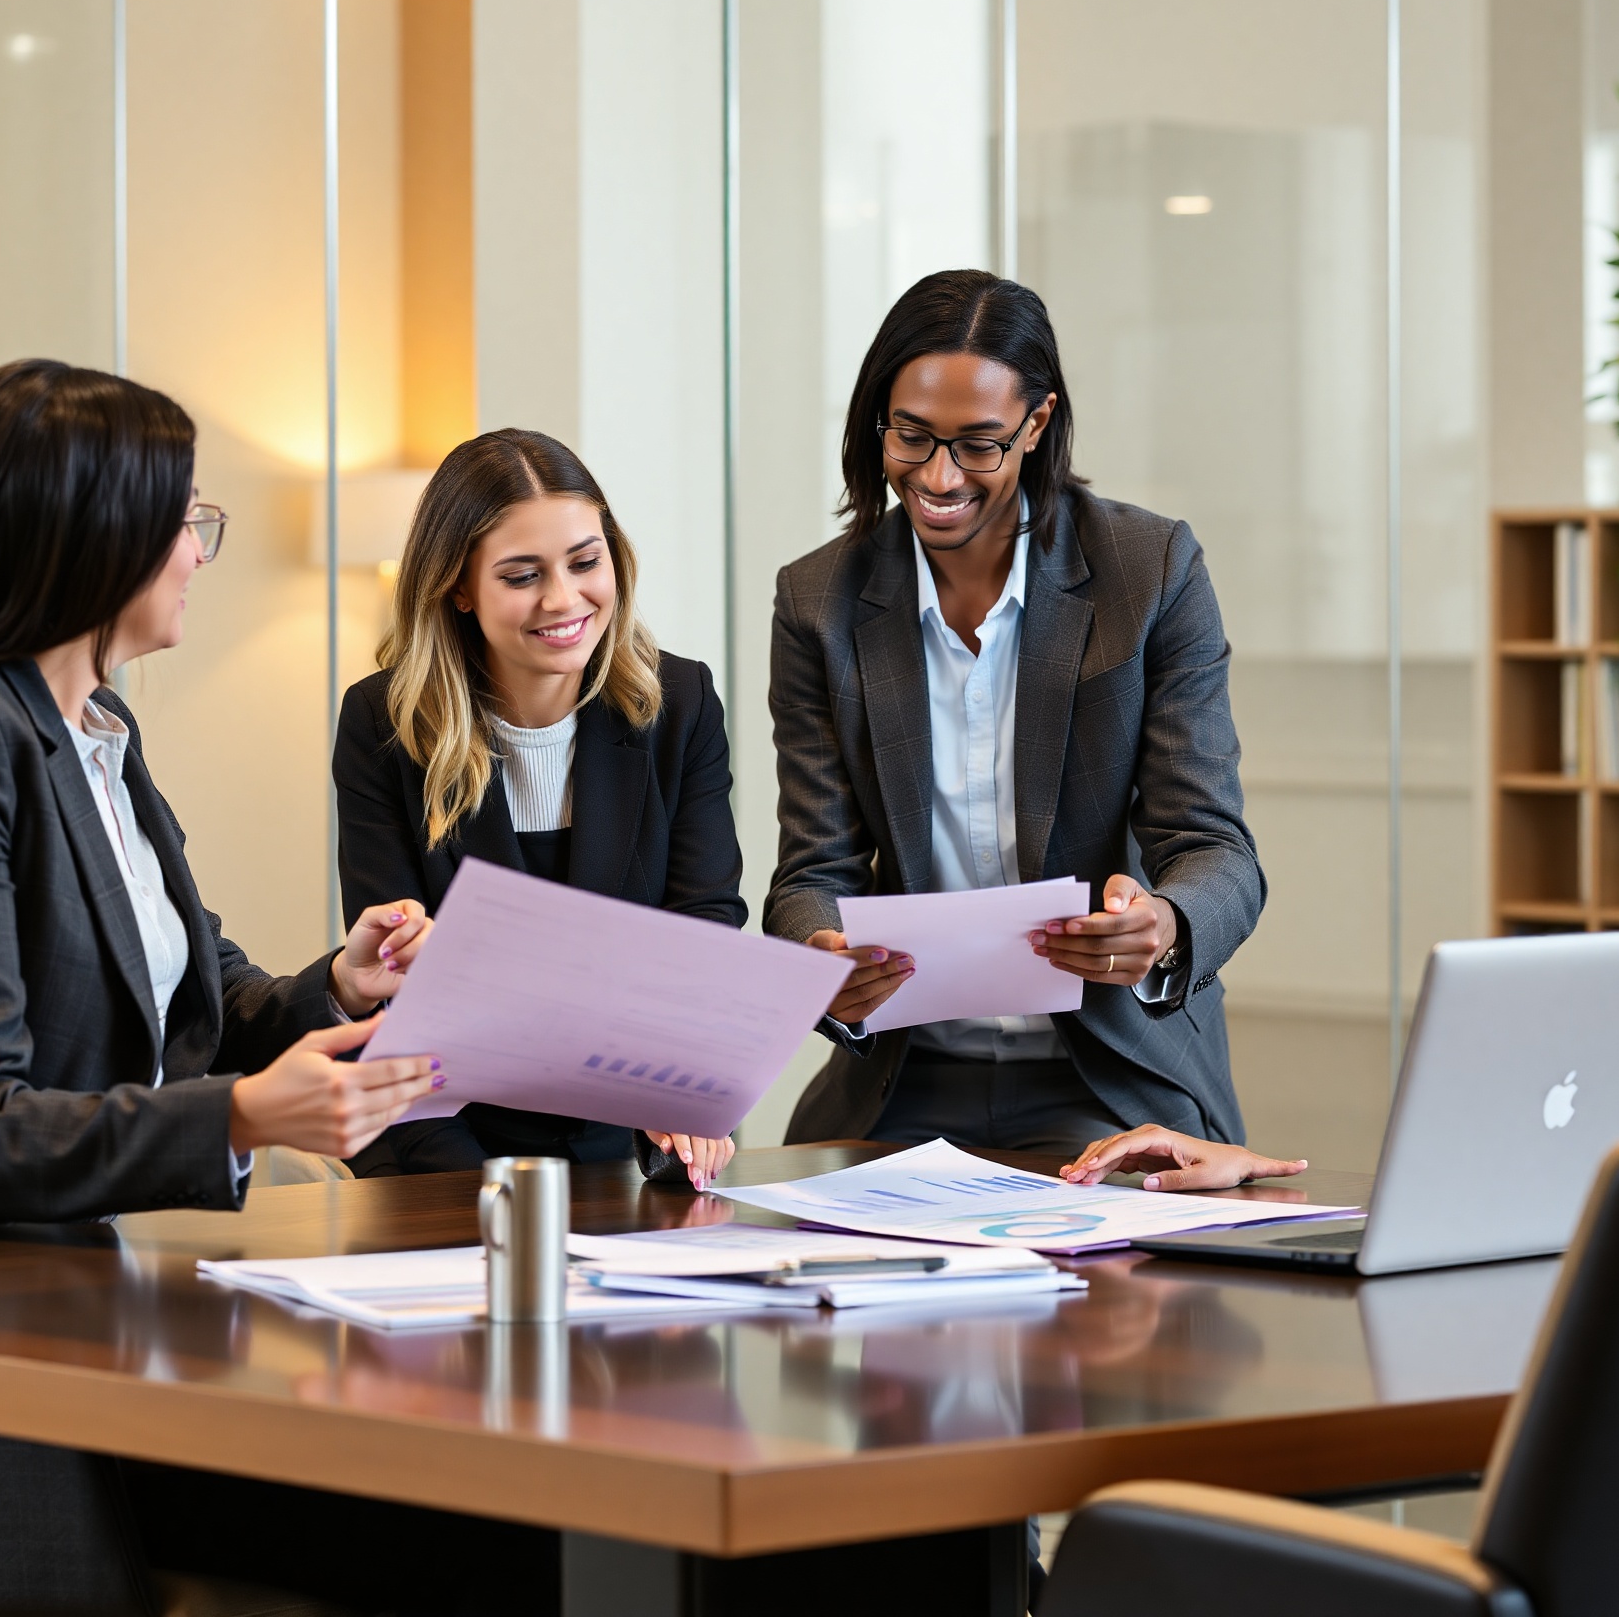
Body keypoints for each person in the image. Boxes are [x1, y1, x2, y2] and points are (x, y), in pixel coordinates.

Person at [0, 358, 442, 1240]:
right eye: (184, 520)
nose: (197, 550)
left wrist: (342, 984)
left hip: (42, 1265)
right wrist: (242, 1116)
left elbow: (189, 996)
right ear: (93, 537)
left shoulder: (94, 722)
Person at [766, 269, 1270, 1158]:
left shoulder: (1147, 571)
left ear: (1036, 425)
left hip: (1107, 1076)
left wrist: (1165, 923)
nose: (937, 476)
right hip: (902, 1080)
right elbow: (813, 869)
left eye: (978, 445)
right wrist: (821, 951)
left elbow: (1215, 849)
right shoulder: (819, 601)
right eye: (910, 436)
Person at [334, 428, 744, 1190]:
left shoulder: (680, 703)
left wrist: (683, 1092)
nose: (564, 599)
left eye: (586, 563)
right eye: (523, 576)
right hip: (443, 1139)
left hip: (641, 1133)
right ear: (459, 588)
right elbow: (399, 987)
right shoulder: (382, 724)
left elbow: (704, 930)